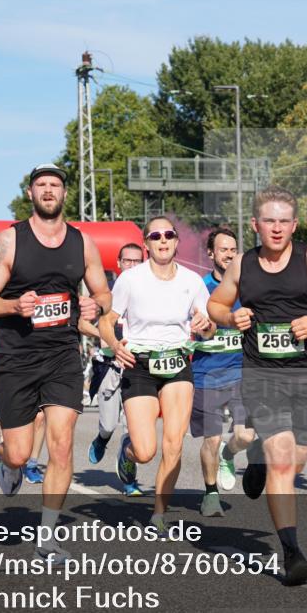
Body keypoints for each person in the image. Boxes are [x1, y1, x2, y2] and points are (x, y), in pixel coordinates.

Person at [208, 185, 307, 586]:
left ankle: (255, 454)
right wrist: (231, 317)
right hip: (261, 373)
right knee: (282, 461)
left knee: (295, 461)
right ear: (256, 225)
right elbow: (216, 305)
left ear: (294, 225)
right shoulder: (243, 265)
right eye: (268, 221)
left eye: (283, 221)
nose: (276, 228)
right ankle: (291, 552)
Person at [0, 163, 109, 564]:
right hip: (17, 356)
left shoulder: (82, 243)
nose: (48, 191)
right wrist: (14, 305)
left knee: (62, 443)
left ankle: (47, 539)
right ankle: (10, 464)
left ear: (65, 194)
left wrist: (95, 304)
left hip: (61, 354)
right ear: (31, 194)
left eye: (55, 185)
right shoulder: (9, 240)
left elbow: (103, 294)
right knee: (19, 453)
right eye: (41, 185)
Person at [98, 215, 214, 529]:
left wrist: (206, 326)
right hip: (140, 366)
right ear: (147, 243)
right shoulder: (131, 279)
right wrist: (114, 344)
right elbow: (106, 321)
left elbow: (209, 324)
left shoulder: (191, 281)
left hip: (178, 364)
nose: (163, 240)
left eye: (169, 235)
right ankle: (128, 452)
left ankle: (159, 514)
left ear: (176, 241)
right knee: (147, 450)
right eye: (155, 236)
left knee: (174, 444)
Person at [192, 227, 253, 517]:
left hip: (241, 370)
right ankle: (210, 493)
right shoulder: (199, 287)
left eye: (233, 249)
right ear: (210, 254)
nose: (229, 254)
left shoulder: (247, 286)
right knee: (211, 439)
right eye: (223, 249)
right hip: (208, 373)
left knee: (246, 436)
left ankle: (230, 455)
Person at [85, 243, 144, 469]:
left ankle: (128, 473)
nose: (131, 265)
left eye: (137, 261)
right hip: (110, 365)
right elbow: (82, 323)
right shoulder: (105, 293)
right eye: (127, 261)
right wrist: (107, 337)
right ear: (118, 263)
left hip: (138, 367)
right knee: (109, 424)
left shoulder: (150, 289)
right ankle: (102, 438)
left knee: (133, 429)